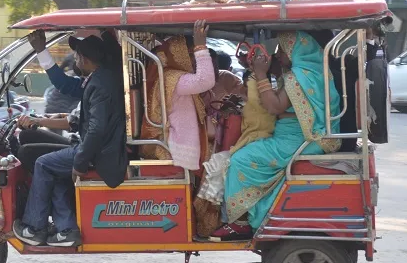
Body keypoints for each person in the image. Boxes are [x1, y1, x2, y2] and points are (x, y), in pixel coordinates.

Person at [211, 31, 341, 242]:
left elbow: (273, 106)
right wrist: (255, 68)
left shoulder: (298, 76)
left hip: (300, 140)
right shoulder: (313, 72)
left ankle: (240, 223)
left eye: (282, 49)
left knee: (239, 160)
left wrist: (261, 74)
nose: (279, 55)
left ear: (294, 51)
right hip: (303, 137)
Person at [13, 34, 127, 247]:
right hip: (91, 145)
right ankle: (66, 230)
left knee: (42, 164)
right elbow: (78, 116)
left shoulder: (100, 84)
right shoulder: (98, 79)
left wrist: (79, 163)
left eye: (76, 57)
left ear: (84, 59)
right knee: (49, 163)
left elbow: (96, 129)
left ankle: (34, 227)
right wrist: (43, 120)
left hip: (98, 152)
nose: (74, 62)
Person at [140, 20, 216, 171]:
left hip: (180, 145)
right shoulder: (174, 78)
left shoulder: (170, 75)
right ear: (179, 54)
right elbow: (205, 80)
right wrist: (201, 47)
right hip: (180, 148)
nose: (194, 59)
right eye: (190, 54)